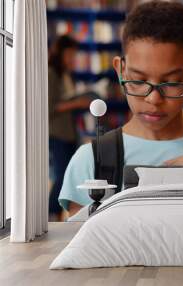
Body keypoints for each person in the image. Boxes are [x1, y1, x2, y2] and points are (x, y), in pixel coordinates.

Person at [58, 1, 183, 217]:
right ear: (121, 72)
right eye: (138, 80)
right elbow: (83, 246)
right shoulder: (91, 160)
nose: (153, 98)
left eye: (171, 83)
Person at [48, 35, 92, 220]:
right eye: (70, 54)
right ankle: (52, 212)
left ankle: (57, 213)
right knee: (61, 174)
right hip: (58, 132)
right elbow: (50, 107)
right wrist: (77, 103)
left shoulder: (67, 74)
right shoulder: (51, 73)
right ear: (61, 53)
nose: (73, 58)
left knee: (68, 173)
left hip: (71, 132)